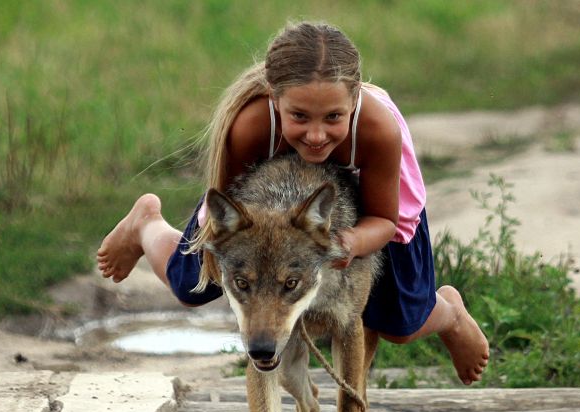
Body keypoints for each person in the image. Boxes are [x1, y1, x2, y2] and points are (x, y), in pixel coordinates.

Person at [96, 21, 489, 384]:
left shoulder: (377, 128)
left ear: (355, 97)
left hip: (373, 209)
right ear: (274, 97)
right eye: (299, 116)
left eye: (333, 116)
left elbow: (384, 219)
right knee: (190, 287)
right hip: (271, 203)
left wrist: (348, 243)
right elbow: (230, 208)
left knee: (399, 322)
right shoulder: (251, 125)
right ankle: (146, 223)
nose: (316, 135)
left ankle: (451, 313)